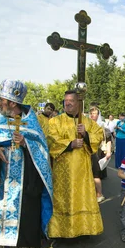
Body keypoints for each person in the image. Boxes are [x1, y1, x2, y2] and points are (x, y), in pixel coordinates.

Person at [0, 80, 53, 248]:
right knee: (1, 206)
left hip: (27, 175)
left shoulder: (31, 121)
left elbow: (42, 148)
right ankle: (3, 244)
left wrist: (25, 142)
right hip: (3, 176)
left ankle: (26, 244)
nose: (0, 102)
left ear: (13, 103)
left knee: (26, 208)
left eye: (2, 100)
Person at [46, 90, 104, 240]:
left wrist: (86, 135)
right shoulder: (55, 121)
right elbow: (50, 139)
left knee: (82, 199)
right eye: (66, 101)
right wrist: (70, 144)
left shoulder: (88, 122)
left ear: (79, 103)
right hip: (63, 171)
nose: (68, 103)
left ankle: (83, 229)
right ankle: (61, 232)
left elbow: (99, 135)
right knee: (63, 199)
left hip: (82, 170)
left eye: (71, 100)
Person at [89, 105, 112, 203]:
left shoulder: (102, 125)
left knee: (96, 174)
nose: (93, 116)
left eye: (95, 114)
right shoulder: (86, 124)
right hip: (88, 151)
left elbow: (108, 139)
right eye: (92, 114)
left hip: (99, 151)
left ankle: (99, 193)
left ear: (98, 115)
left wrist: (109, 151)